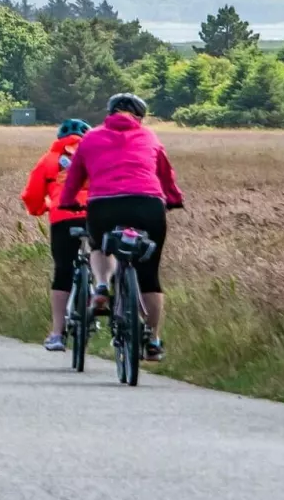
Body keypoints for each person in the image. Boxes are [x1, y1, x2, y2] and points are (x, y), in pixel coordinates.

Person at [57, 93, 182, 363]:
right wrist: (174, 199)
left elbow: (74, 176)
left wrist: (67, 202)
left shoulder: (90, 138)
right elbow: (165, 175)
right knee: (149, 274)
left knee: (100, 245)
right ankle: (152, 339)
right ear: (139, 116)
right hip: (148, 204)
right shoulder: (150, 137)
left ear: (110, 113)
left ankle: (102, 285)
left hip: (104, 204)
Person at [21, 118, 92, 351]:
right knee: (105, 260)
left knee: (63, 270)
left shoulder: (49, 159)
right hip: (96, 215)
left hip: (63, 217)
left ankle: (57, 333)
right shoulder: (98, 156)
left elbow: (32, 194)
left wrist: (39, 209)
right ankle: (101, 292)